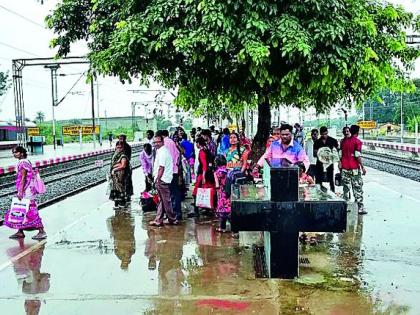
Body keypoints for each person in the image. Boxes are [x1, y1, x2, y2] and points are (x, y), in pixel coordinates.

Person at [4, 146, 47, 240]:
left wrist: (20, 191)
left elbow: (23, 178)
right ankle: (20, 231)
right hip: (27, 189)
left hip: (26, 190)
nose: (14, 154)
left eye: (16, 152)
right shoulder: (25, 161)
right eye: (13, 153)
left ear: (21, 153)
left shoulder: (23, 162)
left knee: (30, 210)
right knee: (20, 209)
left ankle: (41, 231)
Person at [149, 135, 179, 226]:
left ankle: (172, 219)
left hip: (162, 179)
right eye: (154, 142)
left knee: (166, 201)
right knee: (162, 200)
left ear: (162, 142)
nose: (156, 144)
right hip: (163, 179)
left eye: (158, 142)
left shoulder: (163, 152)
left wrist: (157, 179)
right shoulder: (161, 151)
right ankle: (158, 220)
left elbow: (161, 167)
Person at [340, 125, 367, 215]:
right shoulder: (357, 142)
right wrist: (362, 167)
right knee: (357, 187)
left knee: (346, 188)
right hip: (354, 168)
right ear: (357, 132)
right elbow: (357, 155)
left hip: (344, 168)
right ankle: (360, 207)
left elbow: (340, 155)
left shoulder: (343, 141)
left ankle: (345, 206)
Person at [158, 129, 182, 221]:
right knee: (174, 193)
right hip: (174, 171)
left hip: (168, 172)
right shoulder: (172, 142)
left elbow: (164, 161)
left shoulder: (165, 144)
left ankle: (173, 214)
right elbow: (178, 156)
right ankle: (176, 213)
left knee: (169, 194)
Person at [188, 137, 215, 217]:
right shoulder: (208, 150)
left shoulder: (202, 152)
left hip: (203, 175)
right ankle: (208, 209)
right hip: (209, 175)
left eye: (196, 143)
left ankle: (196, 211)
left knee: (196, 193)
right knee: (208, 192)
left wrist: (203, 176)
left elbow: (204, 165)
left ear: (198, 143)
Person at [314, 126, 339, 192]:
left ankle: (333, 192)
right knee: (318, 178)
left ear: (327, 132)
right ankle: (318, 192)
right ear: (320, 134)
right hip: (320, 163)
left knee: (331, 178)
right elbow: (314, 154)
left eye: (325, 134)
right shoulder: (317, 142)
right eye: (322, 134)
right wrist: (320, 154)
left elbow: (337, 151)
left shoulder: (333, 140)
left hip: (329, 163)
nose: (324, 135)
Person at [109, 141, 131, 208]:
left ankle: (122, 203)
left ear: (123, 148)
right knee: (115, 189)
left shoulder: (123, 156)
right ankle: (116, 204)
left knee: (120, 189)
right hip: (115, 175)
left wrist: (114, 169)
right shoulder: (115, 155)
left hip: (120, 175)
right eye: (117, 147)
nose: (118, 148)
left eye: (120, 147)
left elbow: (123, 165)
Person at [213, 155, 231, 233]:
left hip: (221, 192)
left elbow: (217, 185)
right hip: (228, 192)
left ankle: (222, 228)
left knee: (222, 210)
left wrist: (217, 193)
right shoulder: (228, 171)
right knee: (228, 209)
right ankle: (235, 230)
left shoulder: (216, 173)